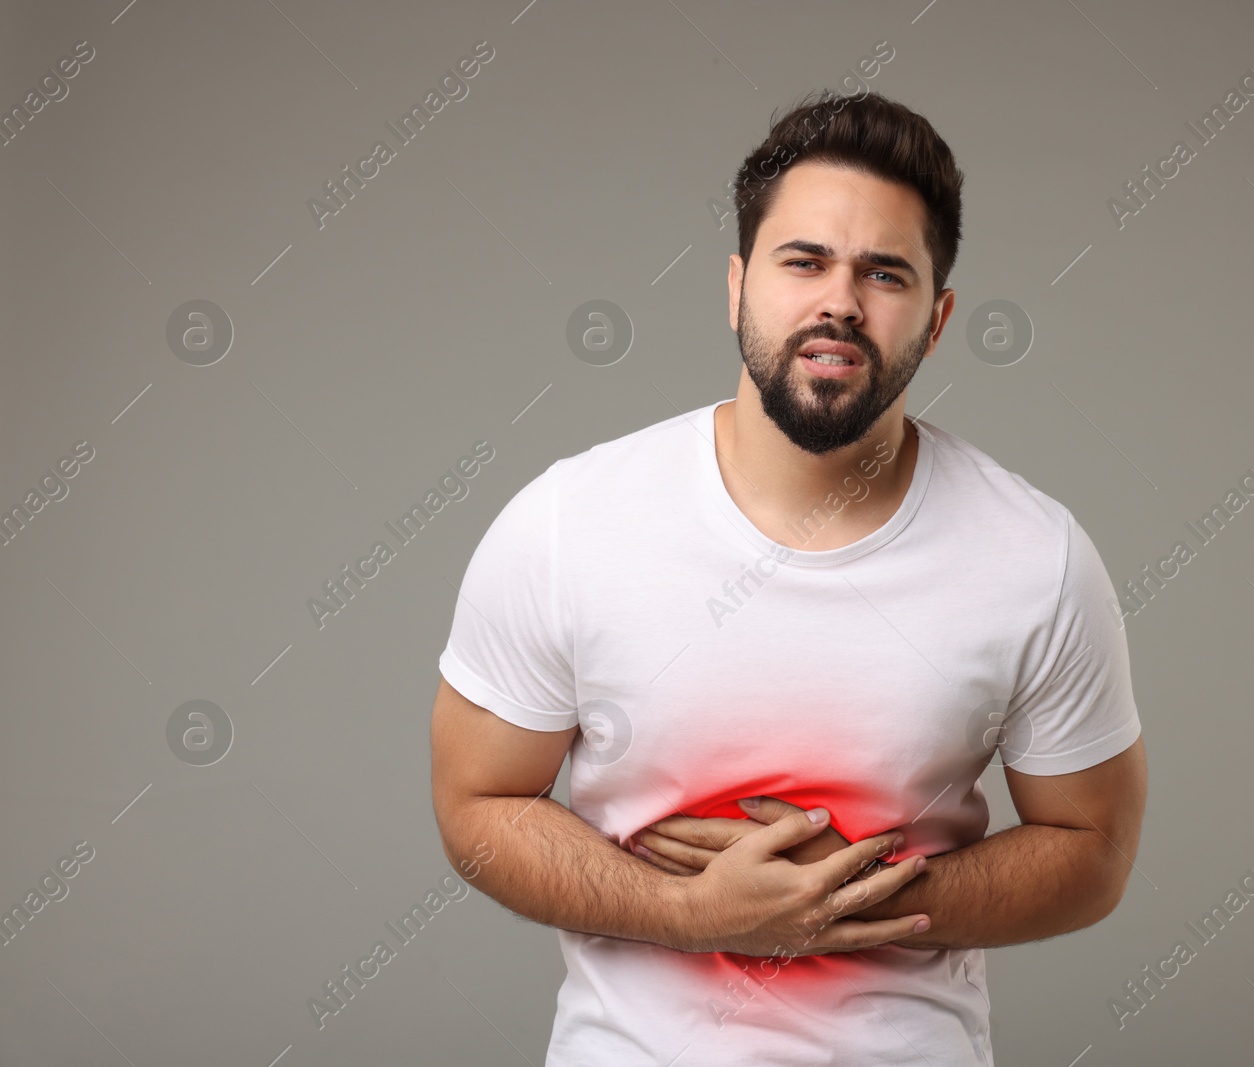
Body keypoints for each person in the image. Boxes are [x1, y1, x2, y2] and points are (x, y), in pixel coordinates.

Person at [430, 87, 1147, 1066]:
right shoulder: (569, 524)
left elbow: (1093, 848)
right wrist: (685, 909)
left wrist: (854, 894)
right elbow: (475, 804)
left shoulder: (1035, 557)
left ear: (936, 321)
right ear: (735, 286)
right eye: (803, 259)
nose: (839, 301)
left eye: (883, 272)